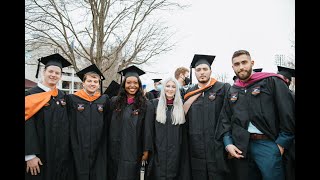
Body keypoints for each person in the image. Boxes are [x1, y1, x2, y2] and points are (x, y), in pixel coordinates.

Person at [217, 50, 295, 180]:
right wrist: (228, 143)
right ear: (232, 67)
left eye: (244, 62)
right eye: (237, 64)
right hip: (241, 147)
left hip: (268, 144)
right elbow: (225, 119)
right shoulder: (233, 89)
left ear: (252, 63)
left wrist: (281, 144)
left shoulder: (272, 81)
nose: (241, 67)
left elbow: (287, 113)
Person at [25, 53, 75, 180]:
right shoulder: (30, 95)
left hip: (61, 155)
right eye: (51, 71)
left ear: (60, 76)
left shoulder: (62, 96)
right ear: (44, 71)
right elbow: (27, 126)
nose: (53, 75)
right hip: (40, 155)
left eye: (57, 73)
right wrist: (29, 155)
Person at [183, 54, 231, 180]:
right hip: (195, 148)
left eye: (205, 69)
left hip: (218, 148)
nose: (202, 72)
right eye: (198, 70)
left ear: (211, 71)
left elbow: (229, 116)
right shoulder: (189, 93)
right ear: (195, 72)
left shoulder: (223, 88)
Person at [108, 65, 154, 180]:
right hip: (115, 148)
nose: (132, 86)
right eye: (128, 82)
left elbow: (147, 129)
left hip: (134, 149)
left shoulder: (146, 104)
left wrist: (146, 150)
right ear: (124, 84)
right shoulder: (114, 102)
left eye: (135, 83)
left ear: (139, 85)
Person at [66, 64, 111, 180]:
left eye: (95, 81)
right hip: (78, 145)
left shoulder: (104, 100)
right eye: (89, 81)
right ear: (83, 83)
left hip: (98, 146)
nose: (92, 84)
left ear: (98, 84)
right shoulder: (72, 99)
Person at [148, 77, 191, 180]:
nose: (170, 89)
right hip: (158, 151)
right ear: (163, 88)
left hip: (176, 152)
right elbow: (149, 130)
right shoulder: (153, 104)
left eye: (173, 87)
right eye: (167, 86)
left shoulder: (181, 107)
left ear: (177, 89)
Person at [277, 65, 295, 180]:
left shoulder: (291, 96)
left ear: (287, 81)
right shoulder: (273, 96)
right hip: (276, 140)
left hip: (290, 142)